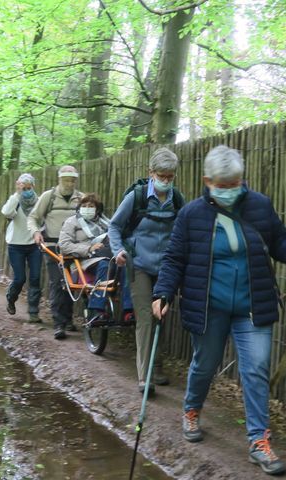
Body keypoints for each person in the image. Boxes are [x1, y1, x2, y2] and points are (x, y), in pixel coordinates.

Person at [151, 145, 286, 476]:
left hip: (252, 306)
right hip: (210, 306)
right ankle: (192, 409)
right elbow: (174, 257)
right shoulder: (192, 214)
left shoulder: (259, 206)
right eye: (222, 185)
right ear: (207, 181)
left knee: (255, 369)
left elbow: (278, 240)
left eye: (235, 183)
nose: (229, 190)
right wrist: (163, 292)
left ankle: (258, 441)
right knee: (205, 364)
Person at [108, 147, 184, 394]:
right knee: (144, 318)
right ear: (151, 172)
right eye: (161, 175)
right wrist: (118, 250)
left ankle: (156, 366)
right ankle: (145, 377)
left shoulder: (178, 200)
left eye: (170, 176)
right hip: (138, 265)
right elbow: (115, 227)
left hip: (165, 269)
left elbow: (184, 233)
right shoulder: (137, 197)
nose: (165, 180)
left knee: (160, 315)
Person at [58, 193, 133, 325]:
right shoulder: (71, 222)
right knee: (105, 265)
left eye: (91, 206)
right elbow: (64, 245)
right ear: (79, 207)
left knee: (126, 266)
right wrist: (89, 248)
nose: (87, 208)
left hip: (108, 256)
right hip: (84, 260)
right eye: (84, 205)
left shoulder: (107, 223)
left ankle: (128, 311)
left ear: (97, 209)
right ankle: (97, 311)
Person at [28, 165, 83, 340]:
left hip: (74, 247)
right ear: (59, 180)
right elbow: (33, 217)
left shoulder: (81, 198)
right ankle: (59, 324)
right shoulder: (48, 197)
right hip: (53, 246)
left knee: (72, 283)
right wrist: (36, 232)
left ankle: (67, 319)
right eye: (66, 180)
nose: (69, 183)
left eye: (72, 180)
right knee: (58, 282)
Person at [1, 173, 42, 323]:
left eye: (28, 186)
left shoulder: (38, 201)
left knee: (36, 278)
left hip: (34, 245)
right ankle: (11, 298)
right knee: (20, 278)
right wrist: (17, 194)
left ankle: (33, 312)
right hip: (16, 245)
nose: (26, 189)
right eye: (23, 186)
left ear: (33, 186)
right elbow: (6, 212)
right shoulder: (16, 200)